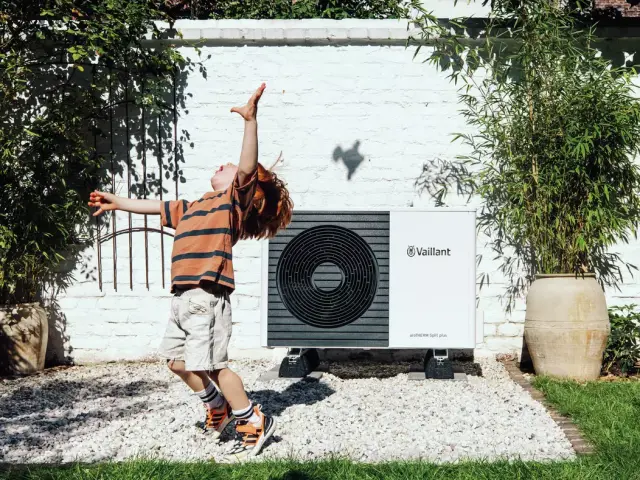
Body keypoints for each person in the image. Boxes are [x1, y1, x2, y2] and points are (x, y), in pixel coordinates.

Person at [88, 83, 293, 461]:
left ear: (245, 187)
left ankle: (252, 419)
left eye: (228, 167)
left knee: (214, 365)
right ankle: (219, 406)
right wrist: (117, 202)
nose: (223, 165)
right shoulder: (192, 206)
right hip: (182, 296)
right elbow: (152, 205)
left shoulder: (231, 202)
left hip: (206, 295)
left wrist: (251, 122)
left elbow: (246, 165)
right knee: (177, 362)